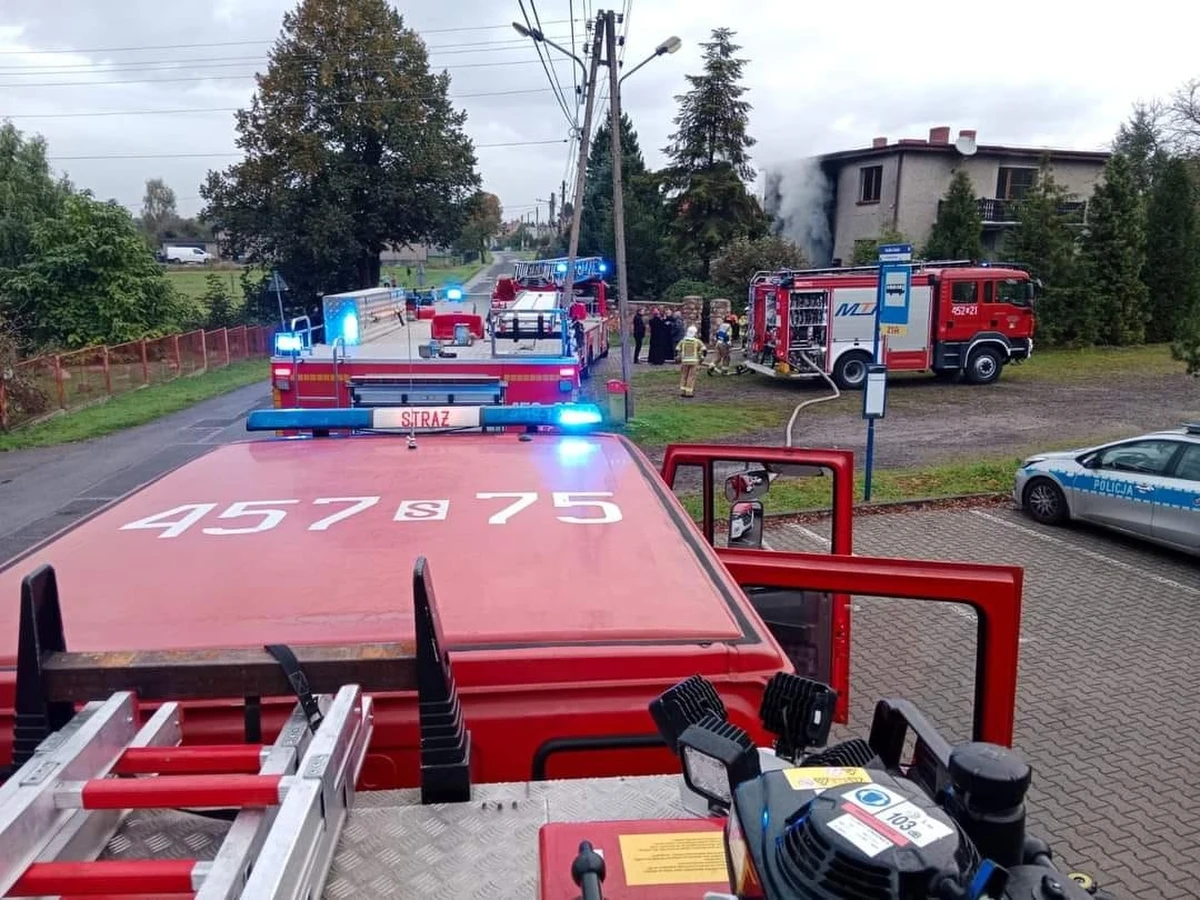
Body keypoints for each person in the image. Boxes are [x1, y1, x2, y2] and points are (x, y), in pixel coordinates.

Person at [675, 325, 706, 398]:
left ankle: (682, 391)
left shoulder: (683, 341)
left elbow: (677, 350)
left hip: (685, 362)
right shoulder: (697, 341)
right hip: (694, 362)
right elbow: (704, 349)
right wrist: (701, 357)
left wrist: (678, 358)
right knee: (691, 377)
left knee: (684, 376)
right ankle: (689, 392)